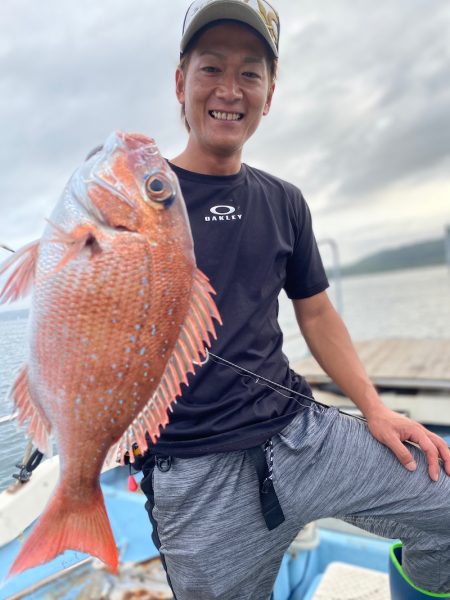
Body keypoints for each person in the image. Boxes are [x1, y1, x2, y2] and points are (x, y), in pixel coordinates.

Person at [140, 1, 450, 598]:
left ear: (270, 93)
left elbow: (316, 309)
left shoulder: (284, 200)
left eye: (250, 73)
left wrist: (374, 408)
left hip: (300, 433)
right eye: (211, 69)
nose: (229, 89)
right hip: (197, 474)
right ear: (181, 82)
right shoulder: (139, 202)